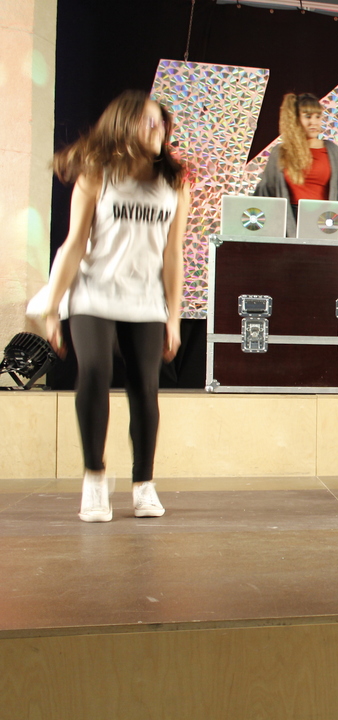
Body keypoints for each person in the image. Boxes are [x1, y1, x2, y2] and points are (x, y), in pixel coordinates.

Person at [40, 90, 189, 522]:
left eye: (160, 122)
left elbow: (173, 254)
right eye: (147, 121)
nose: (157, 129)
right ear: (124, 125)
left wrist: (174, 317)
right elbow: (73, 245)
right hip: (93, 291)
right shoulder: (97, 174)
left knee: (145, 385)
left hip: (144, 297)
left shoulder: (174, 183)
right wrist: (52, 306)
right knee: (95, 371)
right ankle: (94, 478)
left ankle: (144, 484)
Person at [253, 92, 338, 235]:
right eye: (308, 116)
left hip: (325, 223)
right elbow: (264, 192)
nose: (313, 122)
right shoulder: (281, 152)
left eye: (317, 116)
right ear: (295, 119)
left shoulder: (331, 150)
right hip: (288, 225)